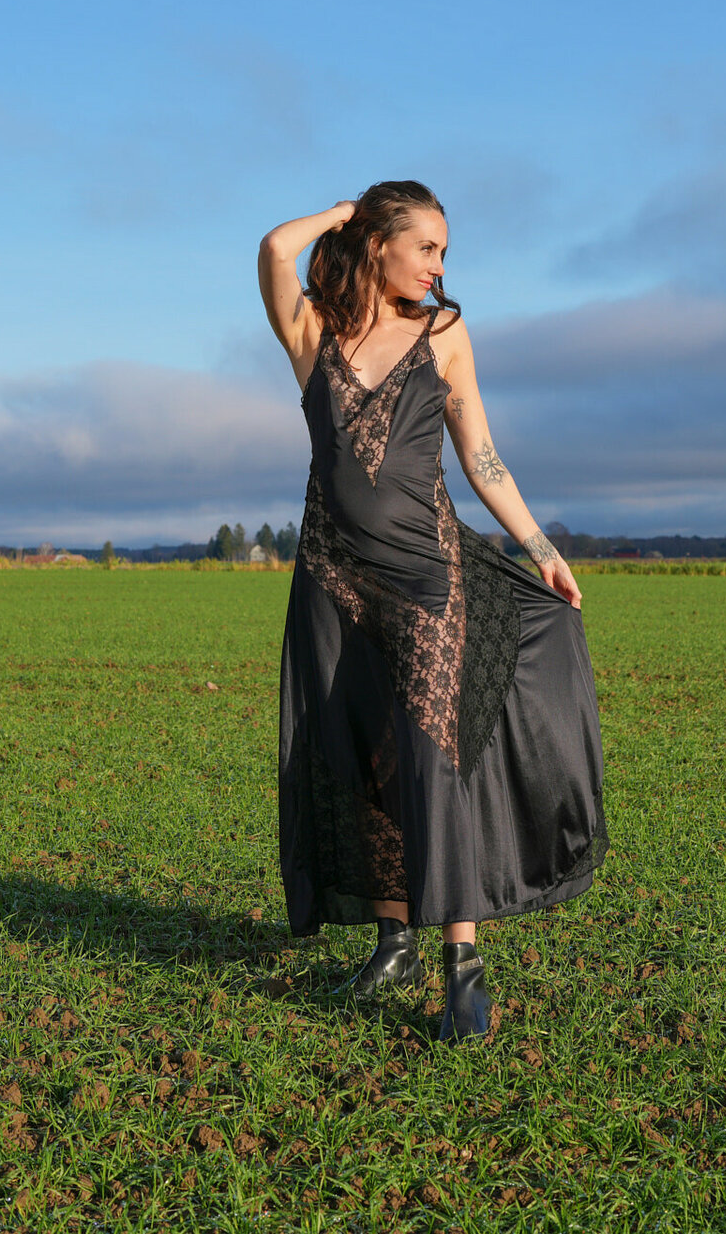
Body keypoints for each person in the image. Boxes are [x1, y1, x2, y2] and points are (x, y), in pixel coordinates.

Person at [258, 181, 609, 1041]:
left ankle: (463, 966)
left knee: (431, 756)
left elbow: (482, 456)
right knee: (360, 753)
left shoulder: (444, 334)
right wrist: (342, 214)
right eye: (426, 247)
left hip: (426, 575)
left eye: (444, 252)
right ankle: (393, 942)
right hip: (331, 577)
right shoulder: (314, 333)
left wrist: (540, 547)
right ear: (378, 243)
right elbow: (273, 250)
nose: (438, 266)